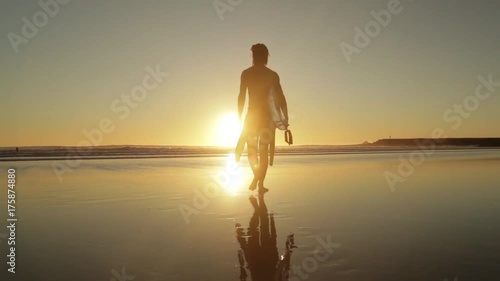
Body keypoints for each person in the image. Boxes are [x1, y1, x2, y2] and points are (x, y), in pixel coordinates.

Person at [238, 43, 289, 193]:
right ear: (266, 56)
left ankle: (257, 178)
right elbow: (281, 98)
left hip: (252, 118)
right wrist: (285, 118)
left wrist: (238, 115)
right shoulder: (272, 75)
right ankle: (260, 182)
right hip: (268, 120)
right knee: (264, 151)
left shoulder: (246, 73)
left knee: (252, 151)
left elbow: (241, 95)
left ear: (253, 56)